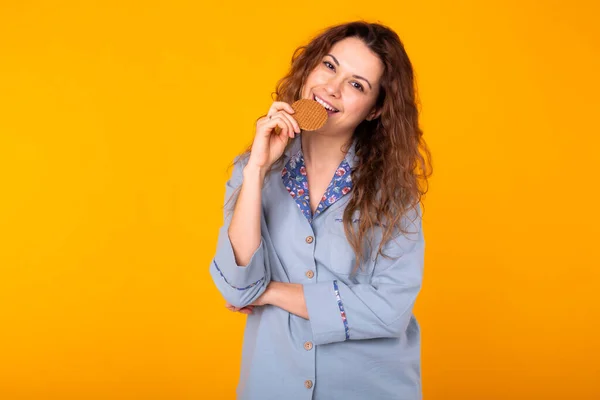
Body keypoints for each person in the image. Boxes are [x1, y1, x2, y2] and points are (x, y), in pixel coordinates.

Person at [209, 20, 432, 400]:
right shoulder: (253, 170)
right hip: (272, 386)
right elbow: (237, 283)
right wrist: (257, 169)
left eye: (356, 84)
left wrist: (271, 293)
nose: (332, 88)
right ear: (311, 66)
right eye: (330, 66)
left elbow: (388, 310)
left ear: (375, 109)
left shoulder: (395, 195)